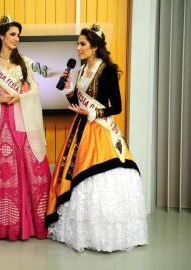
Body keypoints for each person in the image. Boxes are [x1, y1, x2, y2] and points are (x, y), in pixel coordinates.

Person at [45, 24, 148, 252]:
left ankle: (107, 233)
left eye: (82, 44)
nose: (78, 48)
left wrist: (93, 112)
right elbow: (76, 103)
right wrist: (69, 88)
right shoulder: (81, 70)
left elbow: (117, 107)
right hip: (80, 128)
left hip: (100, 129)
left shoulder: (108, 70)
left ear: (94, 47)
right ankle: (81, 231)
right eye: (78, 44)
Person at [0, 16, 51, 241]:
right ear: (2, 36)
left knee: (29, 165)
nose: (17, 38)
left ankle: (28, 224)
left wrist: (19, 95)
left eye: (18, 34)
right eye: (13, 34)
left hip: (20, 121)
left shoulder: (25, 62)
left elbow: (35, 90)